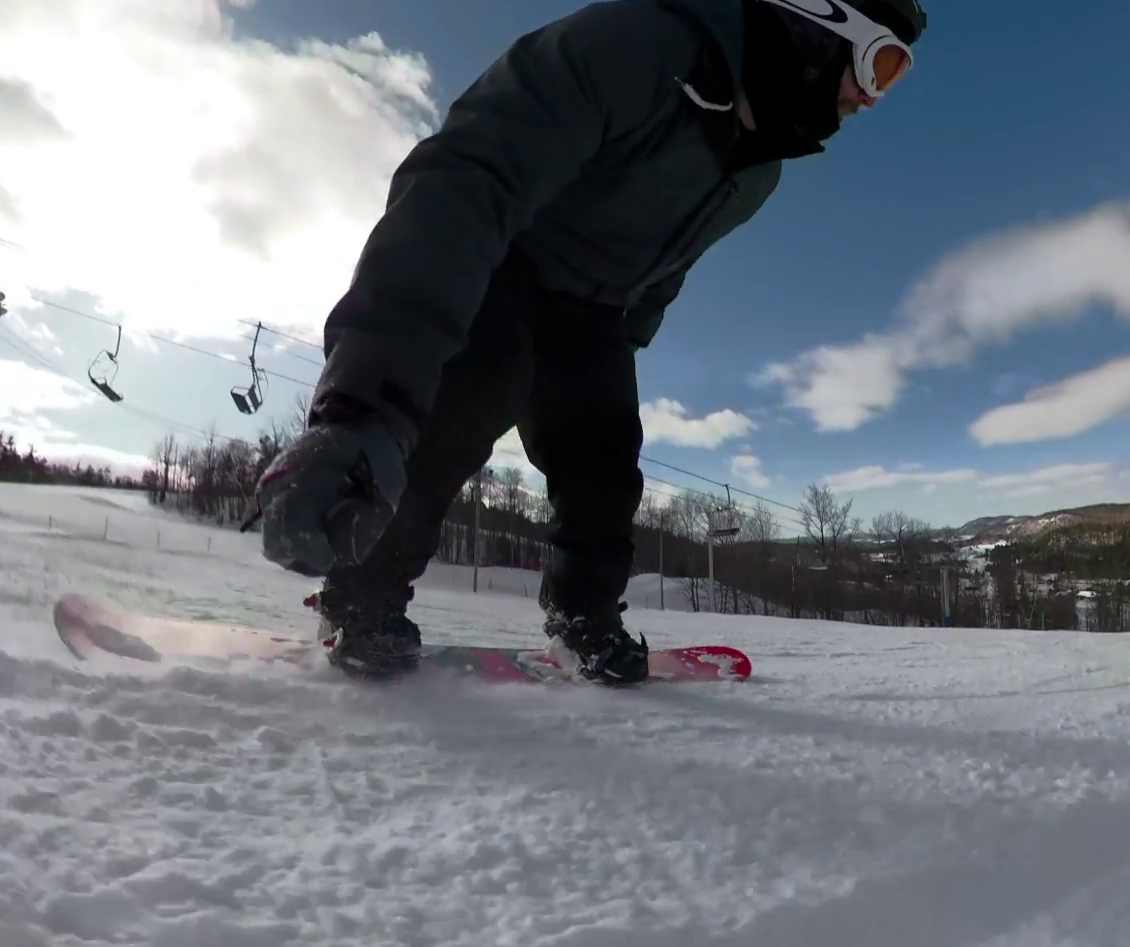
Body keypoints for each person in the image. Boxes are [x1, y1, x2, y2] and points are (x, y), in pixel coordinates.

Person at [252, 0, 927, 684]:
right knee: (465, 405)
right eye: (881, 65)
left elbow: (672, 263)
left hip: (591, 310)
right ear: (816, 23)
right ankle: (361, 595)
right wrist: (362, 408)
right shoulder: (642, 45)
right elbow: (466, 179)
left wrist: (626, 338)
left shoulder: (758, 172)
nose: (872, 98)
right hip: (506, 260)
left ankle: (584, 618)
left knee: (605, 464)